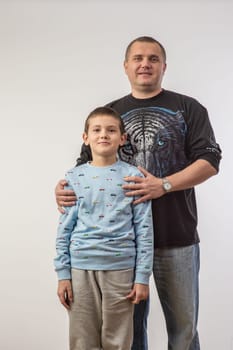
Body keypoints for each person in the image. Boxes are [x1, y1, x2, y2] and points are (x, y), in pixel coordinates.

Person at [55, 37, 222, 350]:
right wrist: (61, 190)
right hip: (120, 245)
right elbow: (84, 166)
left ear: (164, 66)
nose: (145, 64)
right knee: (128, 337)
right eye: (138, 58)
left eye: (153, 58)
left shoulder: (187, 108)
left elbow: (210, 160)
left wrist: (164, 184)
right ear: (126, 66)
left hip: (177, 237)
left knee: (183, 333)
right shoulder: (111, 113)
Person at [54, 106, 154, 350]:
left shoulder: (134, 177)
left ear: (122, 138)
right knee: (82, 339)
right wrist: (62, 274)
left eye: (111, 130)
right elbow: (64, 230)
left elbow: (144, 230)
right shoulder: (74, 177)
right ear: (85, 138)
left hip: (120, 269)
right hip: (80, 270)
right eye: (96, 130)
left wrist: (142, 278)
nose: (103, 135)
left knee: (118, 340)